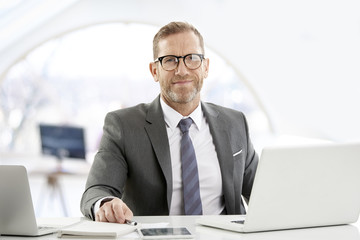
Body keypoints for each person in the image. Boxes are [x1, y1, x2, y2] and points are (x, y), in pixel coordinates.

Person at [80, 21, 259, 224]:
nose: (182, 70)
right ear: (154, 70)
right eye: (170, 60)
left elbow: (263, 192)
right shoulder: (123, 126)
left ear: (206, 67)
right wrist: (106, 204)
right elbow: (96, 190)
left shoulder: (235, 123)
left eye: (192, 58)